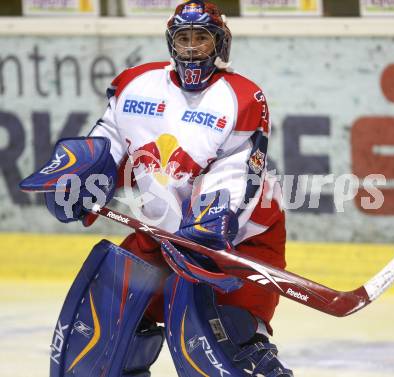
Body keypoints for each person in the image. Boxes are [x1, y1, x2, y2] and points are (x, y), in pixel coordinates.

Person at [33, 1, 293, 376]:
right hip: (162, 233)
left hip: (240, 238)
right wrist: (80, 182)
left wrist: (213, 214)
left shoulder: (241, 97)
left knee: (219, 337)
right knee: (103, 331)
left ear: (219, 44)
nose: (191, 48)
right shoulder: (136, 86)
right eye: (183, 38)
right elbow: (109, 144)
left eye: (201, 39)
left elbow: (240, 169)